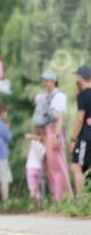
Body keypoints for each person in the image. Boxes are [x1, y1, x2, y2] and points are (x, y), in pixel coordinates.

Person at [35, 69, 73, 203]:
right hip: (48, 131)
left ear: (53, 81)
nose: (44, 83)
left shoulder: (59, 96)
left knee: (59, 166)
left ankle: (67, 198)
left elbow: (60, 116)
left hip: (55, 130)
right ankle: (57, 197)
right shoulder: (46, 96)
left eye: (46, 81)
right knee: (51, 167)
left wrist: (56, 136)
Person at [69, 65, 91, 195]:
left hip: (86, 137)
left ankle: (82, 202)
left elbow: (80, 119)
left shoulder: (83, 95)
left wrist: (73, 139)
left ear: (80, 77)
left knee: (76, 166)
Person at [24, 125, 47, 205]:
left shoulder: (33, 142)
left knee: (32, 189)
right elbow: (44, 160)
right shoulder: (44, 147)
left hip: (31, 168)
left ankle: (32, 205)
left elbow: (27, 136)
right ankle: (39, 204)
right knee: (37, 188)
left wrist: (37, 138)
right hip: (39, 169)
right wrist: (40, 138)